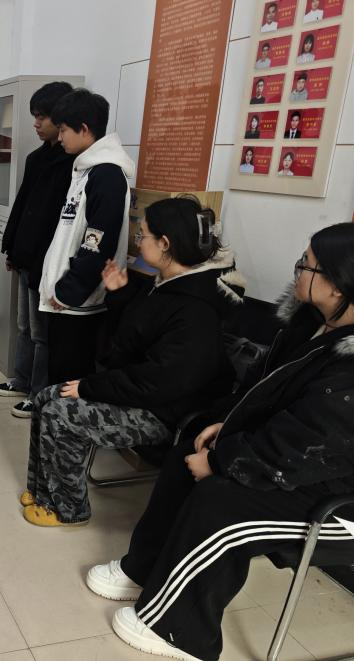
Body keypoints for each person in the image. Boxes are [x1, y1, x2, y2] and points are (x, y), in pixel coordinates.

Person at [86, 222, 354, 661]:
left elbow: (308, 443)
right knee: (189, 448)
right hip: (287, 456)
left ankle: (180, 631)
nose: (297, 270)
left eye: (306, 264)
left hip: (333, 493)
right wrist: (226, 424)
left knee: (221, 500)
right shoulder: (309, 324)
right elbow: (262, 391)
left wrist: (222, 461)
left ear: (339, 282)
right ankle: (144, 568)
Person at [23, 197, 243, 527]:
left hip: (164, 412)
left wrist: (89, 387)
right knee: (45, 398)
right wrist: (119, 293)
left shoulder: (196, 308)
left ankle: (68, 509)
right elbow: (135, 339)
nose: (138, 242)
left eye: (143, 235)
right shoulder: (167, 284)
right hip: (143, 392)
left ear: (165, 243)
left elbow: (158, 380)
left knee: (62, 414)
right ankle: (43, 491)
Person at [38, 88, 135, 388]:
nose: (60, 137)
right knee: (57, 378)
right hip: (65, 300)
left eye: (64, 130)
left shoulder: (107, 176)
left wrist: (67, 291)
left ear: (83, 128)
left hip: (79, 304)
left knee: (69, 382)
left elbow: (97, 243)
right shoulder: (85, 169)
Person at [0, 81, 75, 418]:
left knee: (42, 333)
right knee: (24, 325)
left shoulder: (72, 164)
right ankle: (22, 379)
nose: (36, 123)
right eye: (35, 116)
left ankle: (38, 394)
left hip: (48, 262)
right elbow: (23, 205)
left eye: (43, 117)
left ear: (62, 117)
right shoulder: (36, 158)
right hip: (26, 255)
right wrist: (11, 247)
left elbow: (58, 223)